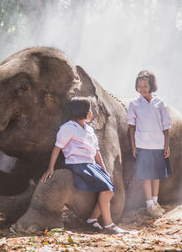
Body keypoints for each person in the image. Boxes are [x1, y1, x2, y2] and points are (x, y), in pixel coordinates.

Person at [41, 97, 128, 234]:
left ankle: (92, 219)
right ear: (81, 112)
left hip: (91, 165)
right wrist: (50, 168)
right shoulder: (68, 128)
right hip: (78, 165)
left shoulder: (89, 130)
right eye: (89, 110)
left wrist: (105, 172)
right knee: (106, 189)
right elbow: (57, 148)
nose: (91, 112)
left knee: (110, 190)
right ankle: (109, 225)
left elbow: (96, 152)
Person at [127, 70, 172, 217]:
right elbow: (131, 126)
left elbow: (166, 126)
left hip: (158, 144)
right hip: (142, 145)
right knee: (146, 176)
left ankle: (155, 201)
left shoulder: (160, 103)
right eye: (139, 86)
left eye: (145, 85)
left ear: (152, 85)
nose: (142, 89)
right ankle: (149, 205)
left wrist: (166, 145)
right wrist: (134, 146)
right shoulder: (134, 104)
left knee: (156, 176)